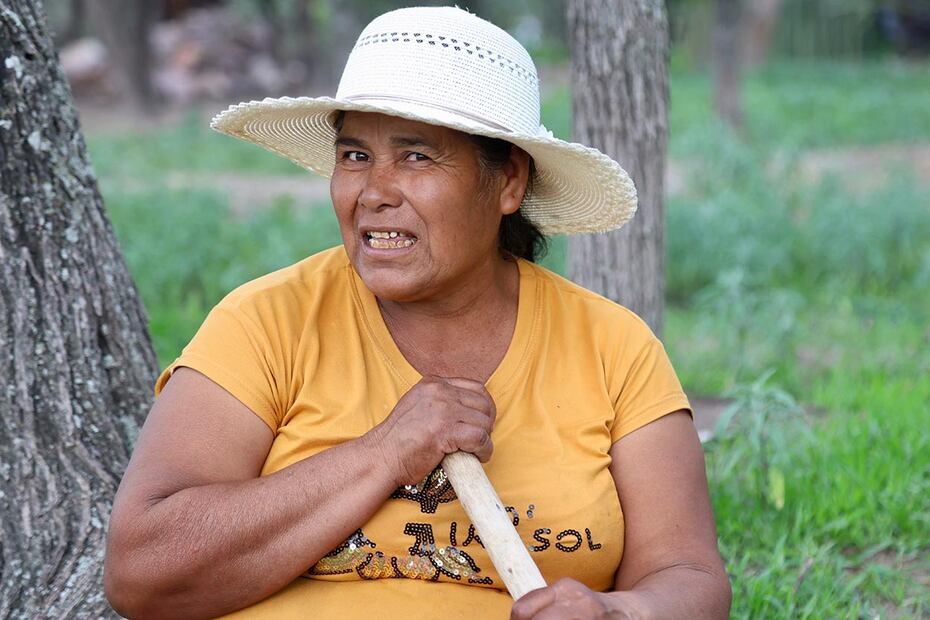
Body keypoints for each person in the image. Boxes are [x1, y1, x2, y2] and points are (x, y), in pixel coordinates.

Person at [103, 6, 731, 619]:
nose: (373, 192)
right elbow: (140, 573)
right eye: (354, 156)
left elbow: (687, 575)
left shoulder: (612, 346)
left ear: (509, 182)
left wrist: (616, 612)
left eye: (416, 156)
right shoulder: (265, 323)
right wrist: (387, 451)